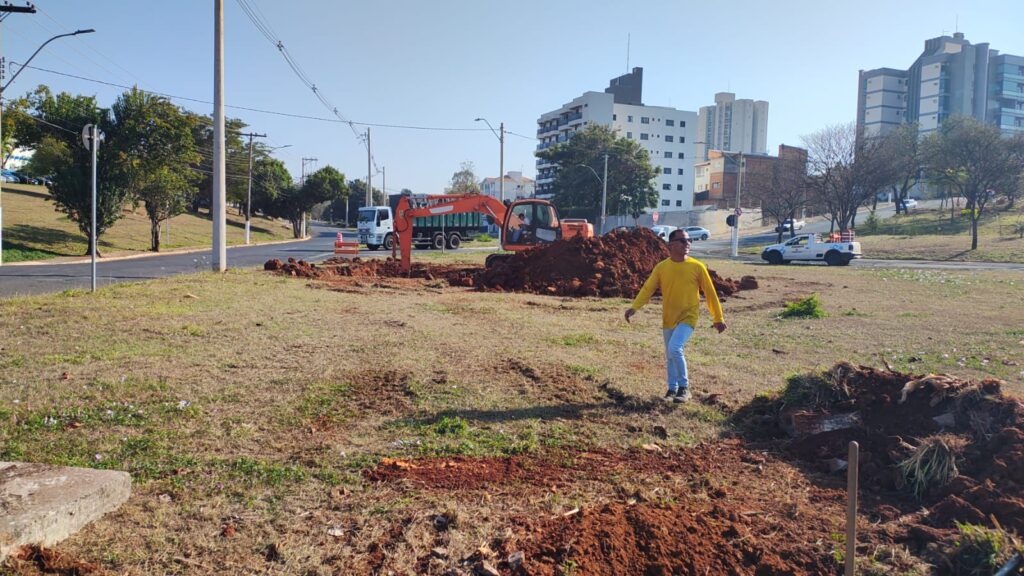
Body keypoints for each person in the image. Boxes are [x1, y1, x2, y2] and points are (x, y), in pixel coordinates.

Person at [624, 228, 726, 403]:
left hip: (689, 316)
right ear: (670, 245)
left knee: (675, 348)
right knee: (670, 354)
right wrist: (635, 307)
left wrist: (718, 318)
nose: (687, 244)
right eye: (682, 241)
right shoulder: (662, 267)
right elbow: (648, 288)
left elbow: (710, 293)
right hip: (668, 317)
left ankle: (684, 388)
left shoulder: (697, 267)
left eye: (688, 241)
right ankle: (672, 390)